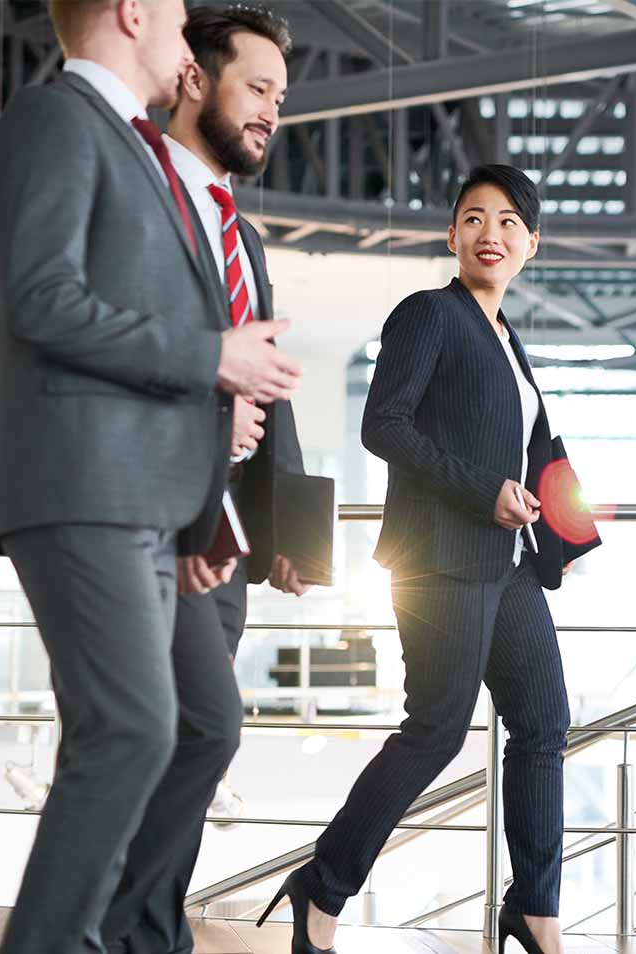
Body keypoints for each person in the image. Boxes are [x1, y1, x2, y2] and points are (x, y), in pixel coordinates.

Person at [0, 0, 301, 950]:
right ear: (132, 12)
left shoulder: (131, 152)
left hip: (140, 499)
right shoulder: (55, 121)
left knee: (161, 729)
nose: (184, 35)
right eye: (177, 15)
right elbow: (44, 302)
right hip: (86, 489)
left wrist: (199, 508)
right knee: (131, 733)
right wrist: (213, 357)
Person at [258, 165, 576, 954]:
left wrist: (566, 535)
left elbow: (534, 448)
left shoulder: (507, 340)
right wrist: (484, 493)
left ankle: (534, 910)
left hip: (506, 564)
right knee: (436, 729)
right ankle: (321, 891)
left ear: (532, 243)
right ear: (451, 235)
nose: (490, 234)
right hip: (438, 560)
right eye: (473, 218)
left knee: (544, 723)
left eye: (508, 222)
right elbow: (384, 426)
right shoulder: (430, 314)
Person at [101, 7, 309, 953]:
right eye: (256, 88)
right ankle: (134, 931)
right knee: (198, 731)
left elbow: (266, 384)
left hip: (222, 532)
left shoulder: (241, 234)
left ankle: (148, 924)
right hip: (149, 513)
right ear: (194, 79)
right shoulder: (140, 189)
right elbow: (119, 351)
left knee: (187, 738)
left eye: (278, 96)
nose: (271, 111)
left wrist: (287, 535)